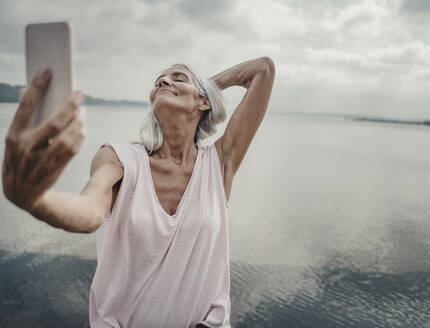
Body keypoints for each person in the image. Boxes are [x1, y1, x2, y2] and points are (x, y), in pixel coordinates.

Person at [1, 56, 275, 327]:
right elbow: (90, 211)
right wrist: (36, 200)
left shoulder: (220, 162)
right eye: (159, 82)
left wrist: (207, 86)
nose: (163, 81)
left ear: (203, 102)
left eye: (177, 77)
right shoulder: (119, 158)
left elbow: (263, 69)